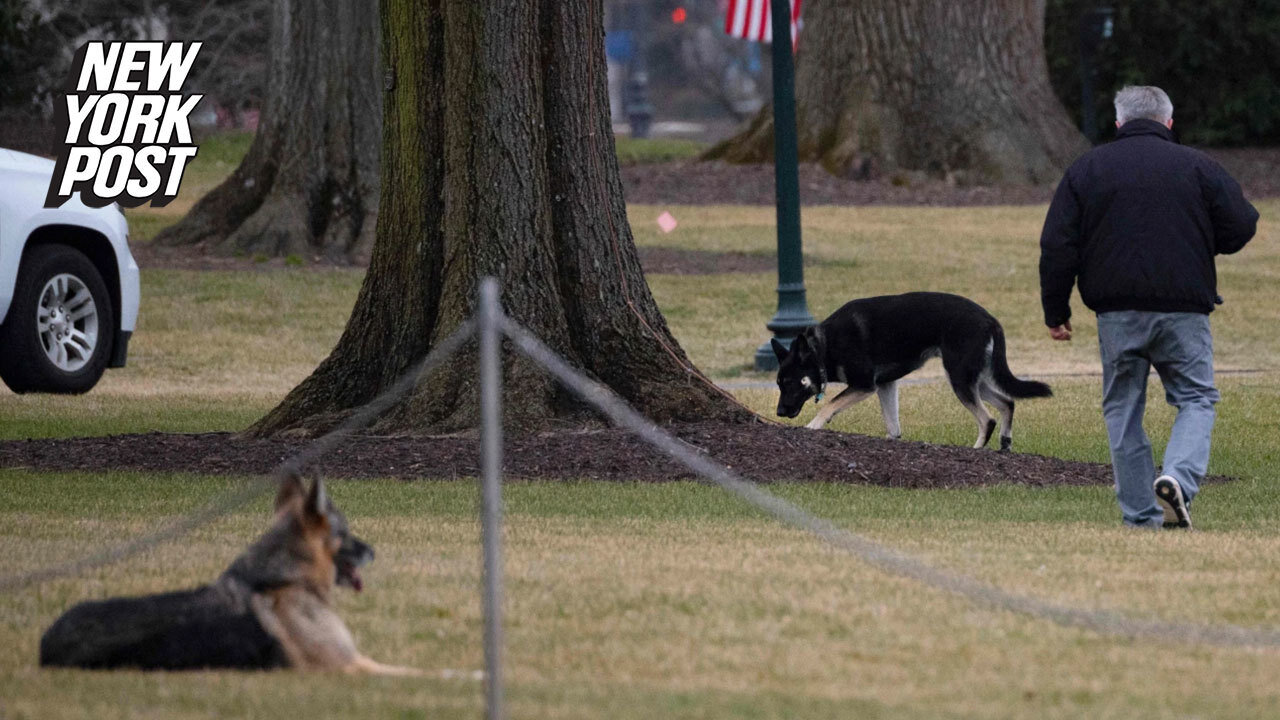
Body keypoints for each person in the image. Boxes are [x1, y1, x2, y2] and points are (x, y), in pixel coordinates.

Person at [1039, 85, 1258, 529]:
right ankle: (1178, 477)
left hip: (1117, 311)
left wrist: (1055, 310)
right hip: (1184, 308)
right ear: (1169, 122)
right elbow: (1242, 224)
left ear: (1118, 123)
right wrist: (1200, 242)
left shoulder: (1088, 169)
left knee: (1123, 406)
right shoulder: (1198, 166)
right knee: (1196, 397)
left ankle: (1141, 517)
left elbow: (1057, 245)